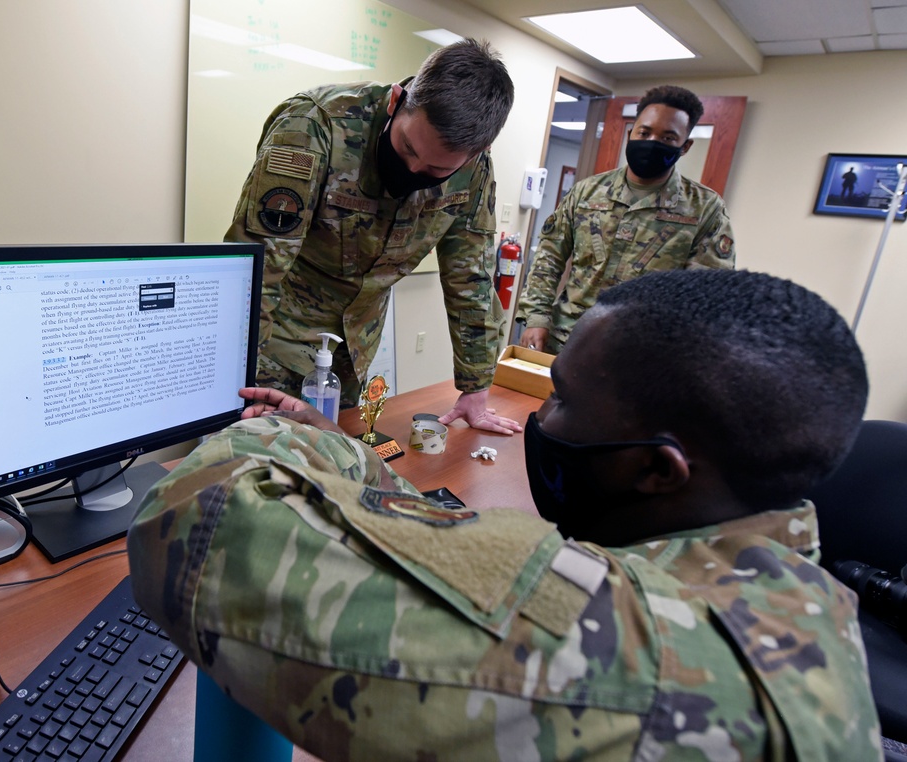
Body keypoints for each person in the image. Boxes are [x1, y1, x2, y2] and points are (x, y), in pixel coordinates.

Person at [128, 269, 882, 761]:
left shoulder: (637, 655)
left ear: (656, 467)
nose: (540, 418)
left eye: (562, 400)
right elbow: (431, 549)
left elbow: (195, 519)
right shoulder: (800, 591)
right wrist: (341, 450)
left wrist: (274, 434)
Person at [224, 38, 521, 435]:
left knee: (334, 469)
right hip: (274, 342)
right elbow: (258, 266)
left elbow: (472, 279)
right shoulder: (313, 126)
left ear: (477, 152)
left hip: (352, 354)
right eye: (406, 147)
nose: (413, 168)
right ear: (398, 100)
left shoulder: (475, 170)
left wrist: (476, 385)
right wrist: (240, 375)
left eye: (434, 170)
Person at [516, 85, 736, 354]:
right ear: (631, 133)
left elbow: (704, 293)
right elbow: (549, 257)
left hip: (641, 355)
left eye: (668, 138)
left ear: (685, 146)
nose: (652, 142)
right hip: (567, 341)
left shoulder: (704, 208)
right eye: (645, 132)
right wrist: (537, 318)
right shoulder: (587, 192)